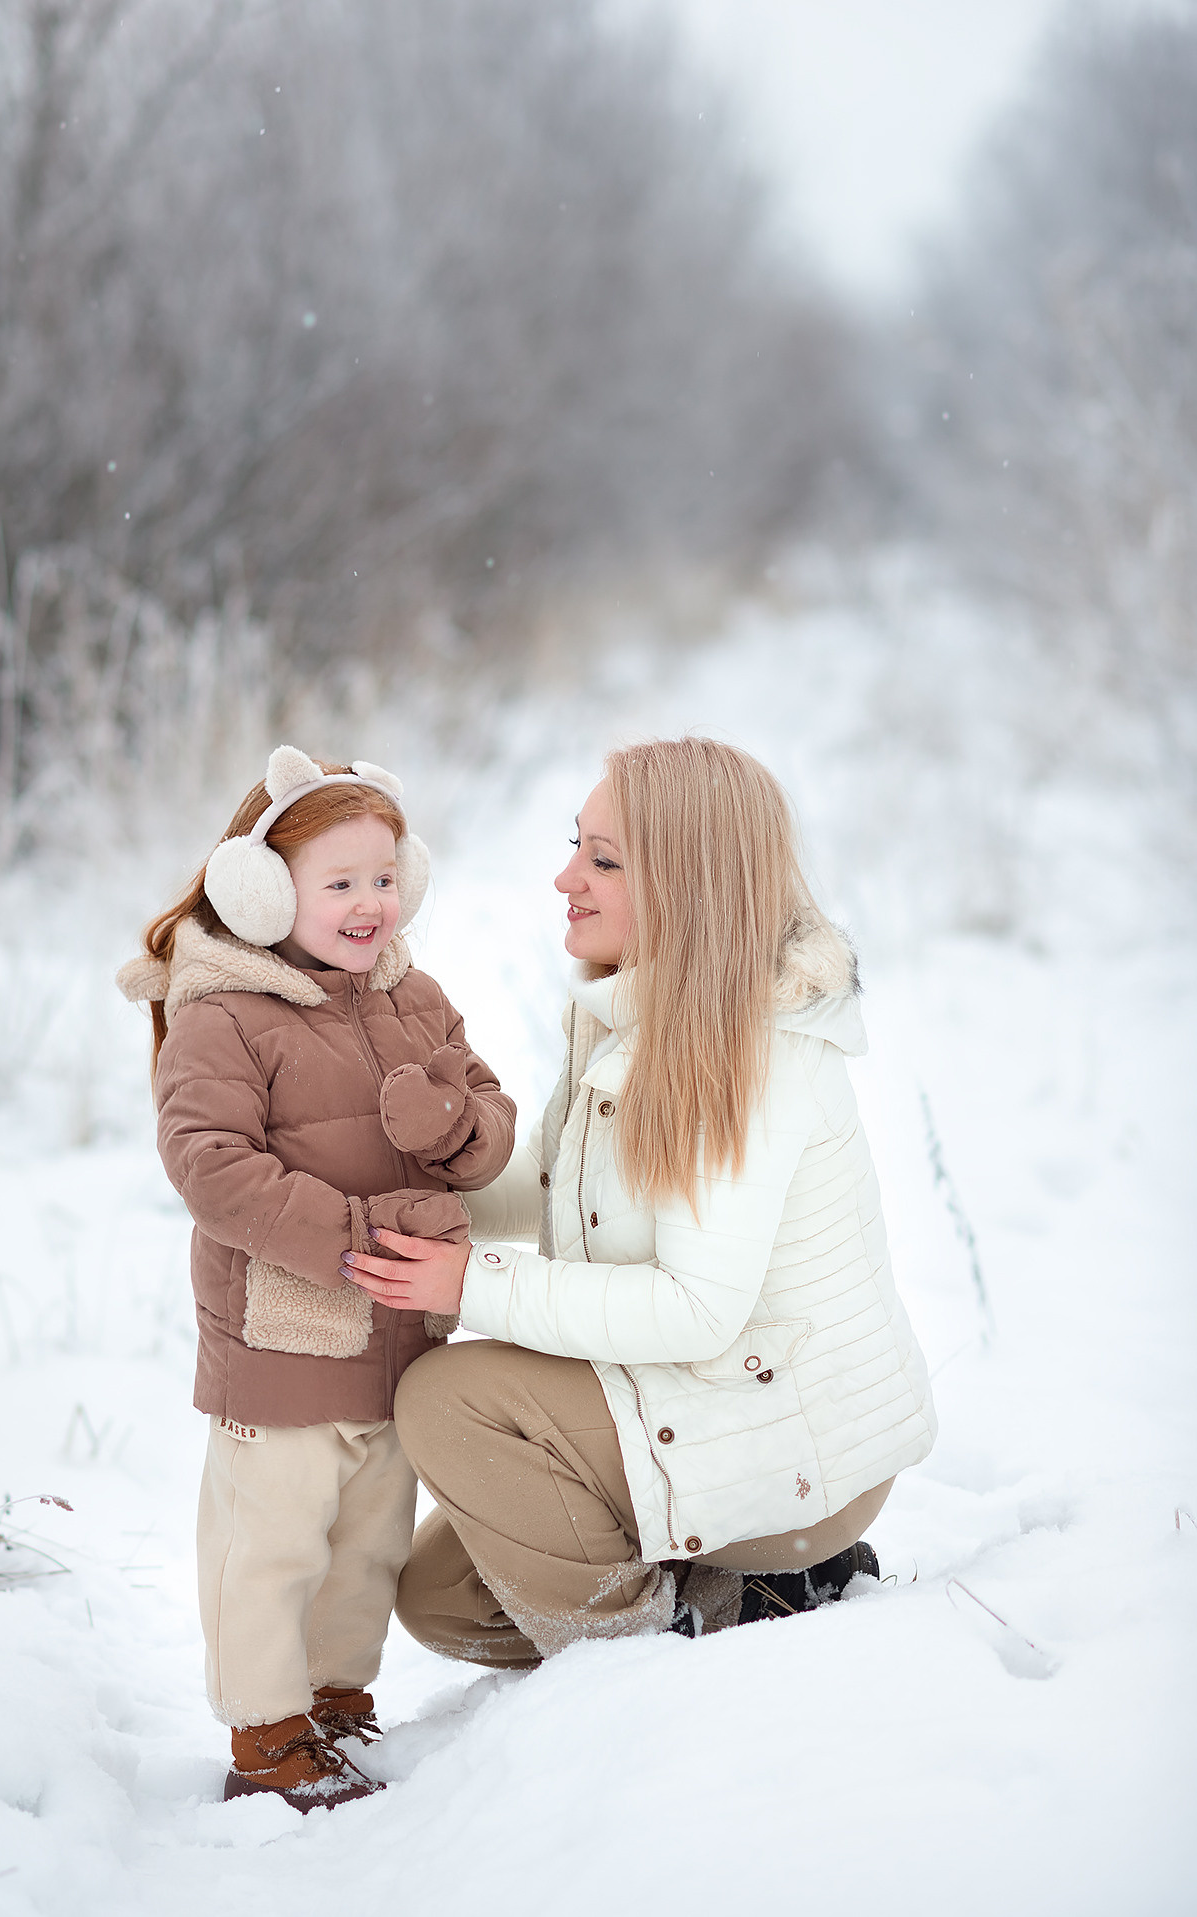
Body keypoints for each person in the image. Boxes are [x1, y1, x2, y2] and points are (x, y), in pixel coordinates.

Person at [344, 736, 935, 1665]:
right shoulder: (634, 1011)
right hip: (704, 1396)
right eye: (575, 843)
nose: (564, 877)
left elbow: (697, 1310)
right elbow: (546, 1179)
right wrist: (426, 1174)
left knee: (449, 1399)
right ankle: (745, 1600)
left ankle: (645, 1658)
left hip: (788, 1448)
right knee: (444, 1599)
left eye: (603, 859)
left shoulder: (750, 1055)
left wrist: (470, 1284)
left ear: (688, 885)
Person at [116, 745, 515, 1806]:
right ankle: (265, 1731)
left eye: (384, 878)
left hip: (398, 1340)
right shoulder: (222, 1015)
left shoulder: (414, 997)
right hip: (284, 1334)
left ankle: (338, 1700)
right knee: (274, 1542)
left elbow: (492, 1123)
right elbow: (211, 1168)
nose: (369, 904)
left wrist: (461, 1127)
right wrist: (355, 1236)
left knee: (368, 1545)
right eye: (338, 882)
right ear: (260, 890)